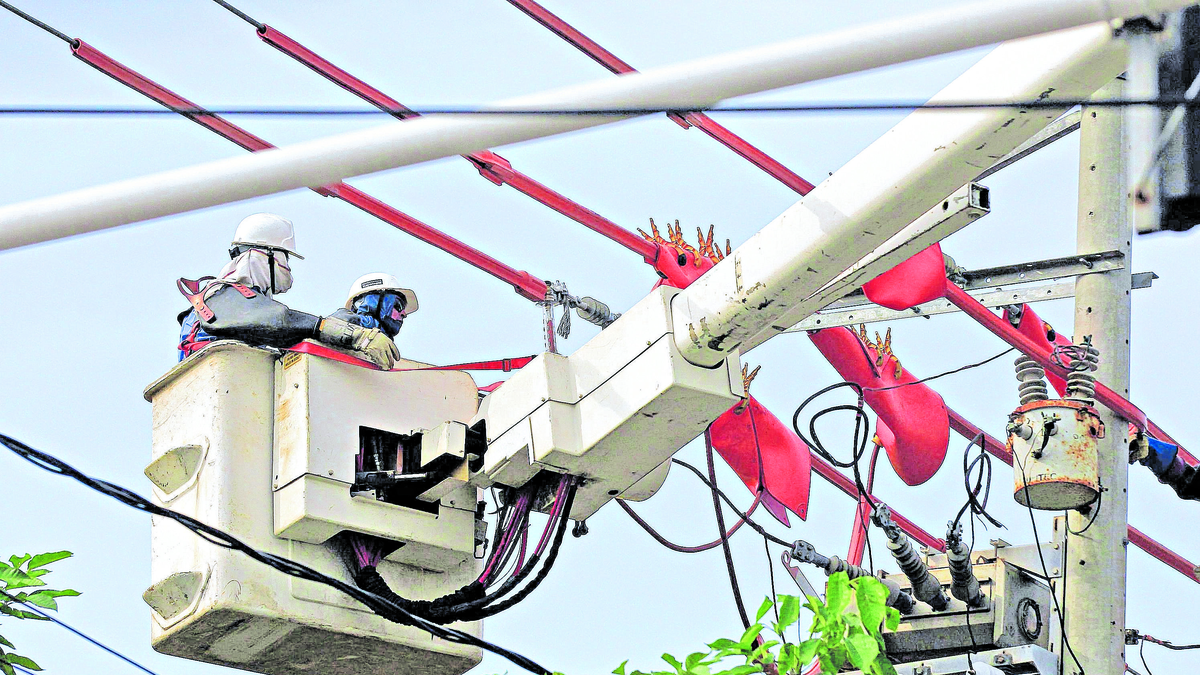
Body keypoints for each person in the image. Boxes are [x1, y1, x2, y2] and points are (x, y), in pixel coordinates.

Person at [176, 213, 400, 369]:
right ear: (266, 254)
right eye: (286, 258)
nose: (288, 268)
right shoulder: (222, 297)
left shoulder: (237, 304)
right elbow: (278, 320)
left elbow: (283, 329)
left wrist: (340, 326)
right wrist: (347, 333)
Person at [328, 273, 419, 341]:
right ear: (373, 302)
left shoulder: (383, 348)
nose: (404, 314)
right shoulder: (341, 324)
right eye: (398, 305)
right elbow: (334, 325)